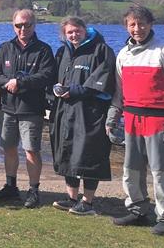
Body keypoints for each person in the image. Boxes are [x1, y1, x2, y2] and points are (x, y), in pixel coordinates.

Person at [108, 5, 164, 236]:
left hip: (159, 122)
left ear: (151, 24)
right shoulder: (123, 54)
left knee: (162, 172)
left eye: (142, 23)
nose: (137, 29)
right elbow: (119, 92)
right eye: (132, 24)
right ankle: (137, 209)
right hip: (132, 121)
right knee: (131, 170)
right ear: (127, 26)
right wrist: (111, 119)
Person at [49, 16, 115, 216]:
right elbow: (55, 77)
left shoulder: (101, 50)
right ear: (64, 34)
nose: (74, 35)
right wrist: (55, 89)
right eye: (70, 32)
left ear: (85, 30)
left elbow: (104, 79)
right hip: (65, 110)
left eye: (77, 30)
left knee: (89, 154)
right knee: (67, 151)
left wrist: (77, 90)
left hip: (90, 112)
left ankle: (88, 202)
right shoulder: (63, 52)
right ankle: (71, 197)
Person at [0, 9, 56, 208]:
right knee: (8, 148)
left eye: (27, 25)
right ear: (13, 26)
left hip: (31, 109)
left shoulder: (43, 50)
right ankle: (11, 187)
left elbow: (47, 75)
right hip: (8, 108)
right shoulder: (5, 47)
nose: (23, 29)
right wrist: (7, 82)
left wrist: (20, 82)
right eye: (19, 25)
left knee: (31, 151)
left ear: (34, 25)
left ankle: (34, 191)